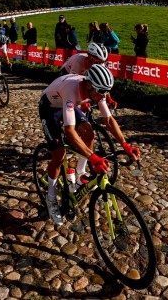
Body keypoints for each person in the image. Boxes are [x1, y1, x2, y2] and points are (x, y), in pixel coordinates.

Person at [38, 64, 140, 225]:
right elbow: (70, 131)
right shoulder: (71, 90)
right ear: (88, 85)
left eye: (105, 92)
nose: (103, 96)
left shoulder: (97, 90)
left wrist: (125, 144)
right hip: (49, 108)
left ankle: (80, 171)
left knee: (89, 132)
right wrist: (93, 157)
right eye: (100, 92)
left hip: (67, 104)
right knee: (58, 155)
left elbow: (108, 120)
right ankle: (50, 198)